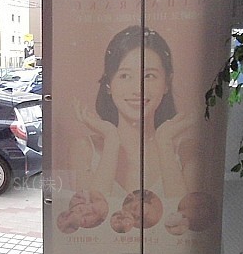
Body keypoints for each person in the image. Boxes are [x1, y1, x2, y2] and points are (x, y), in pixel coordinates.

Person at [67, 25, 213, 234]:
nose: (138, 89)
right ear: (108, 84)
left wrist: (164, 142)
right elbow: (92, 223)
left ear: (167, 82)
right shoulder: (84, 149)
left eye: (149, 76)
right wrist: (111, 140)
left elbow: (183, 225)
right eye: (125, 76)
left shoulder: (186, 150)